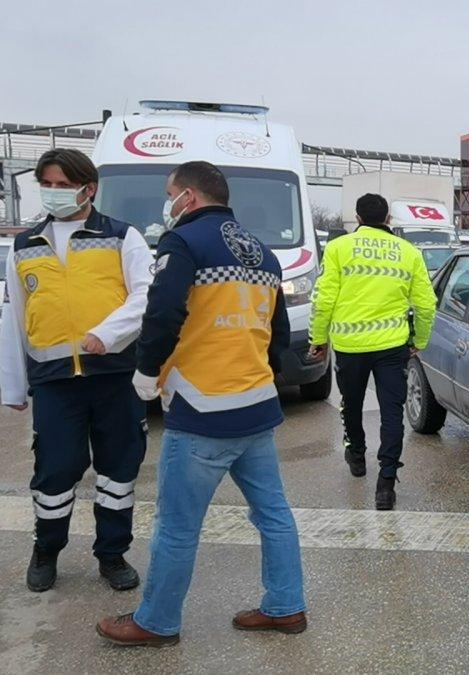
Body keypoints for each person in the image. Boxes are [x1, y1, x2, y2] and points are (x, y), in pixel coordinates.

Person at [97, 161, 306, 647]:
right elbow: (277, 333)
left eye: (169, 193)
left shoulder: (184, 242)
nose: (167, 203)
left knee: (176, 526)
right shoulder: (263, 253)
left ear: (188, 197)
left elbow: (162, 311)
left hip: (202, 408)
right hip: (256, 405)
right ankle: (286, 606)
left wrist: (146, 370)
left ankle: (156, 622)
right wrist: (260, 375)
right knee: (274, 515)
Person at [0, 149, 152, 593]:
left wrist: (108, 332)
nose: (54, 192)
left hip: (115, 376)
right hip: (55, 382)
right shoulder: (25, 245)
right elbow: (15, 318)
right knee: (55, 471)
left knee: (118, 471)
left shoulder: (122, 237)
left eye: (64, 185)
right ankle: (46, 549)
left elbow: (147, 294)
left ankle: (112, 554)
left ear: (89, 189)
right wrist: (13, 386)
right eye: (47, 184)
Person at [308, 193, 436, 510]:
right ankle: (386, 483)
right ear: (388, 219)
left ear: (358, 218)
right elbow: (426, 304)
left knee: (351, 404)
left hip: (350, 346)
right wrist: (419, 340)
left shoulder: (338, 248)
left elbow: (323, 300)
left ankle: (356, 455)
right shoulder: (408, 252)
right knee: (392, 412)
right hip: (392, 347)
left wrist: (318, 339)